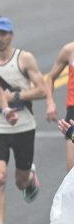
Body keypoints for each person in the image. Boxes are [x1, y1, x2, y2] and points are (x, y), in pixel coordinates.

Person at [0, 17, 49, 224]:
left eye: (4, 34)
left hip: (24, 127)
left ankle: (29, 177)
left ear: (11, 35)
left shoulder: (24, 59)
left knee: (20, 182)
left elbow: (42, 89)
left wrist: (17, 97)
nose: (0, 38)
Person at [44, 37, 74, 170]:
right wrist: (50, 102)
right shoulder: (69, 50)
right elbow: (50, 77)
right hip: (73, 115)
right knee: (72, 174)